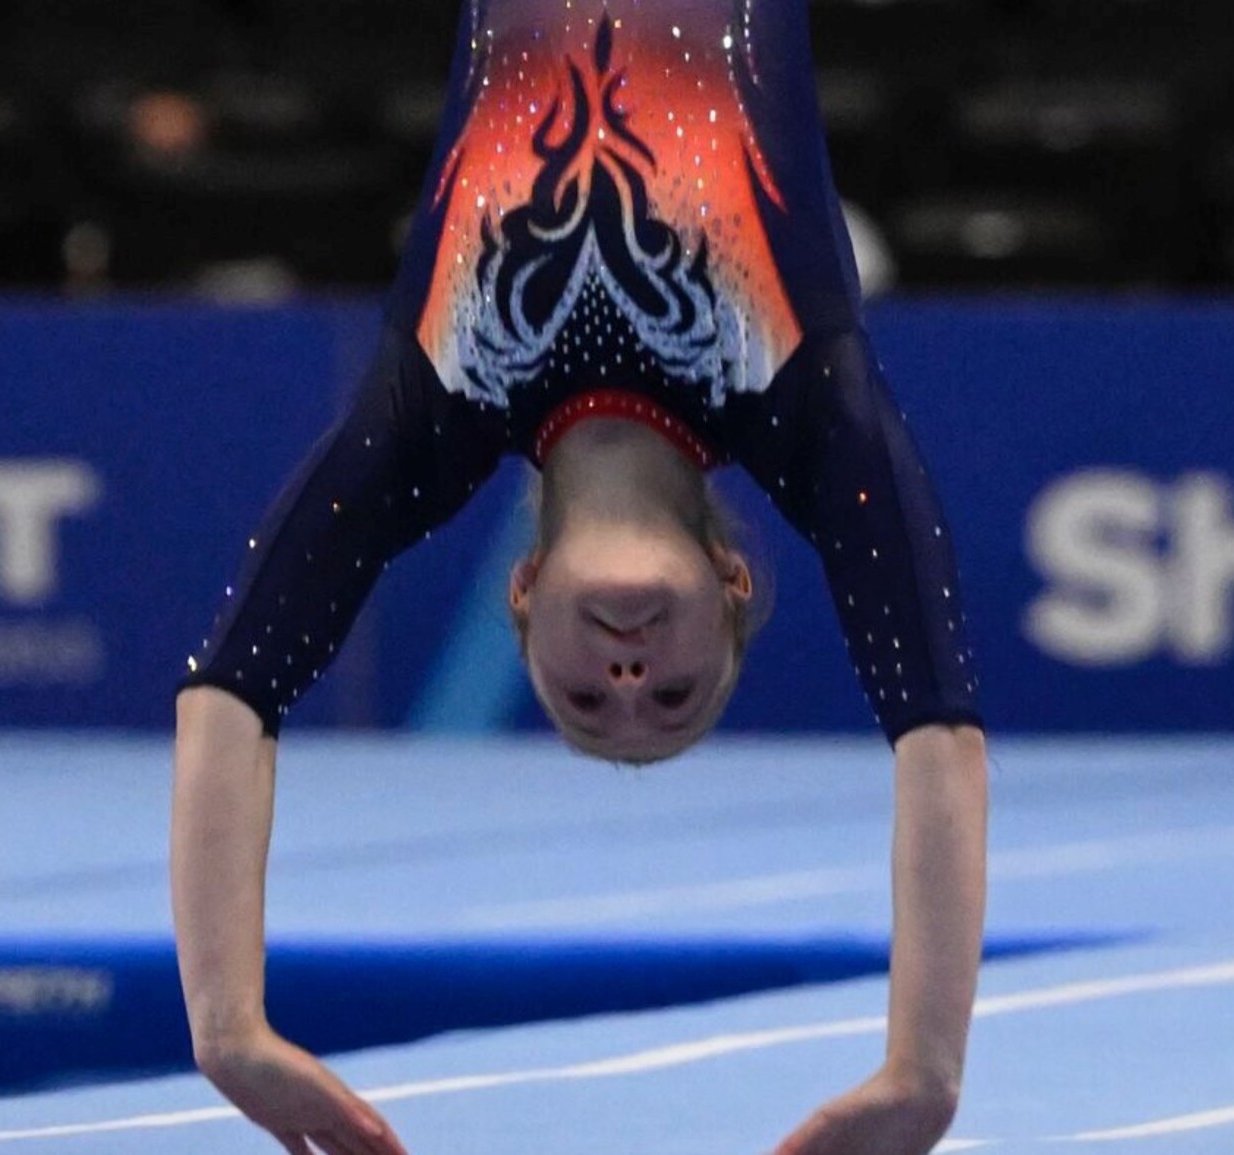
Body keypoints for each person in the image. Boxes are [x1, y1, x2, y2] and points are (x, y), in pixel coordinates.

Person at [172, 3, 989, 1153]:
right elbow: (936, 728)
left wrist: (228, 1030)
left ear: (523, 596)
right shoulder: (805, 401)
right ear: (731, 581)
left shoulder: (433, 407)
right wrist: (922, 1071)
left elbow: (232, 690)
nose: (625, 673)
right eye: (672, 696)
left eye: (587, 700)